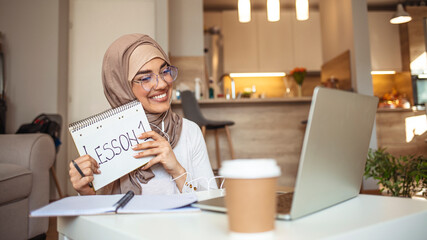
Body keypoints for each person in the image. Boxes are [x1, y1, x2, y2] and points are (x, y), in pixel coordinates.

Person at [69, 33, 216, 195]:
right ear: (121, 87)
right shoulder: (104, 142)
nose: (161, 84)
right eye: (145, 78)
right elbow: (97, 215)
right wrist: (85, 191)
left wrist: (178, 171)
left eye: (165, 71)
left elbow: (210, 202)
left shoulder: (190, 132)